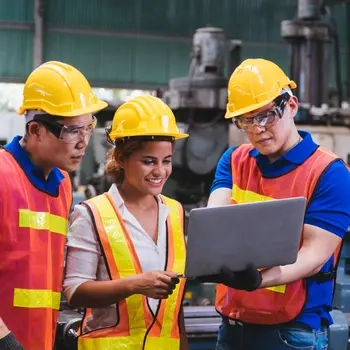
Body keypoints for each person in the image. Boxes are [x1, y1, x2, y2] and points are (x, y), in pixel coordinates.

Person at [198, 58, 350, 350]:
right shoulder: (233, 160)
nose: (257, 129)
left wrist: (258, 280)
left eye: (266, 115)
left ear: (291, 106)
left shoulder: (330, 173)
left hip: (292, 331)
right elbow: (216, 220)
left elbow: (313, 256)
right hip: (233, 325)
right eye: (246, 119)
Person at [63, 95, 189, 350]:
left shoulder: (174, 212)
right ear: (121, 158)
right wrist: (135, 284)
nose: (160, 171)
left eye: (166, 161)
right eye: (148, 161)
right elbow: (74, 291)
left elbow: (176, 308)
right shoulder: (91, 213)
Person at [0, 61, 108, 350]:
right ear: (35, 129)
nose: (83, 142)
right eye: (71, 131)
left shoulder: (62, 185)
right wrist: (4, 340)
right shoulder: (2, 175)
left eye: (88, 128)